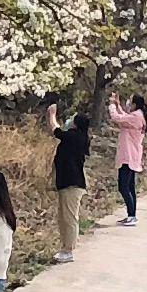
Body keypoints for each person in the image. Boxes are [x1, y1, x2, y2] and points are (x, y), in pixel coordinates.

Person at [43, 86, 99, 261]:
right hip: (67, 182)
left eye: (71, 119)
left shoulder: (75, 137)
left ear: (75, 124)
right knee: (63, 217)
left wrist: (51, 115)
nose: (68, 120)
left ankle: (69, 250)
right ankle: (65, 247)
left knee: (69, 217)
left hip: (72, 184)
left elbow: (56, 131)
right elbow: (58, 131)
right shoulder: (77, 137)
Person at [108, 92, 147, 223]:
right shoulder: (137, 116)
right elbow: (125, 117)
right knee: (130, 186)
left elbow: (117, 118)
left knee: (123, 187)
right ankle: (131, 214)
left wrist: (111, 105)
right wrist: (118, 104)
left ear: (135, 104)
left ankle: (132, 216)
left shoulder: (136, 117)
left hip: (128, 156)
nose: (128, 103)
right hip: (131, 155)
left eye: (130, 101)